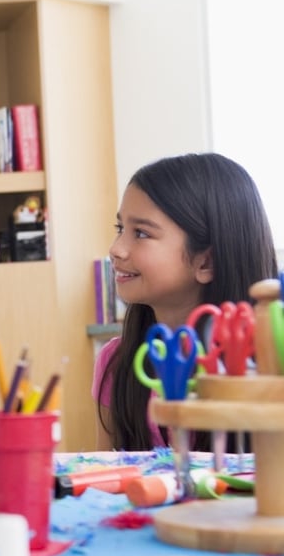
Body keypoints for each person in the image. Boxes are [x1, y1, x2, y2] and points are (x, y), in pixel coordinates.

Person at [94, 153, 277, 450]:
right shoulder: (116, 363)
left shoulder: (271, 366)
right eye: (120, 229)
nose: (116, 249)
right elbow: (101, 481)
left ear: (206, 261)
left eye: (140, 233)